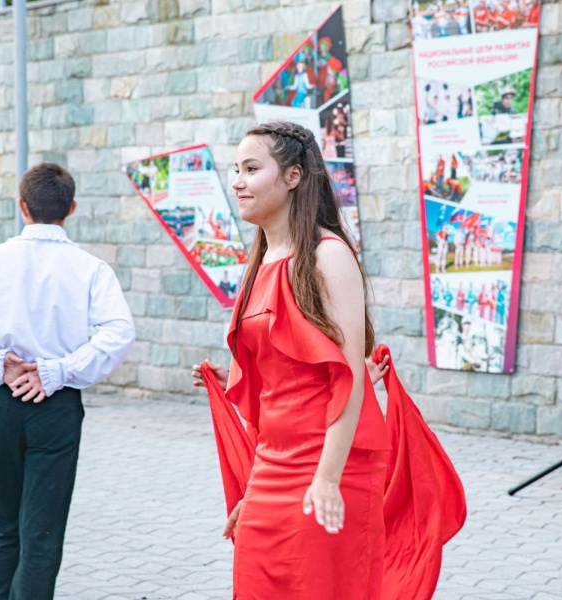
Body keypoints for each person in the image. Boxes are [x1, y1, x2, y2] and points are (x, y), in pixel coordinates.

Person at [191, 122, 392, 597]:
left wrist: (327, 479)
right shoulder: (260, 261)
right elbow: (280, 373)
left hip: (328, 464)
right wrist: (254, 488)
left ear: (293, 176)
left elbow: (348, 378)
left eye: (251, 169)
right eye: (236, 170)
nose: (237, 182)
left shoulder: (328, 256)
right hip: (271, 468)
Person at [0, 163, 135, 600]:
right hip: (56, 403)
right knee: (42, 530)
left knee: (5, 522)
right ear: (71, 208)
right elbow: (119, 333)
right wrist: (60, 370)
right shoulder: (90, 268)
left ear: (21, 206)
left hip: (0, 399)